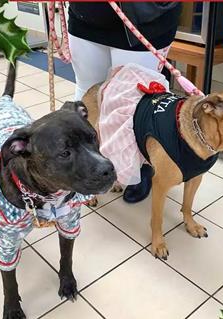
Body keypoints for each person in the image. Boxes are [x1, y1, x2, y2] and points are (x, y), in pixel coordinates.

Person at [68, 2, 182, 203]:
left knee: (136, 102)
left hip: (147, 17)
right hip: (86, 14)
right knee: (88, 93)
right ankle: (84, 163)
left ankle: (139, 166)